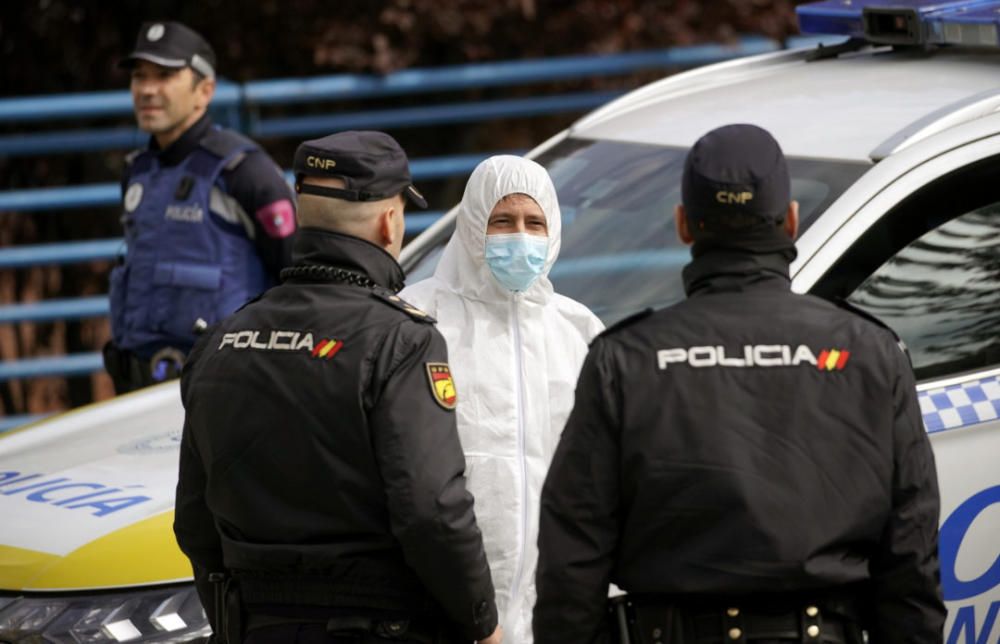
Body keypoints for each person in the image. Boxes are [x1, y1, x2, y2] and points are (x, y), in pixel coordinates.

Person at [533, 124, 945, 644]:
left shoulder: (626, 359)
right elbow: (910, 549)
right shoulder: (869, 352)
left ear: (684, 225)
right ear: (790, 221)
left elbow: (572, 556)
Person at [174, 130, 501, 644]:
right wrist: (482, 622)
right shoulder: (401, 340)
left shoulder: (222, 340)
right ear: (389, 221)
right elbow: (431, 511)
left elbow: (194, 522)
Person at [401, 155, 604, 643]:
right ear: (472, 223)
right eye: (502, 221)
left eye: (534, 223)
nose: (520, 237)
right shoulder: (417, 317)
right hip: (444, 603)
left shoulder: (577, 329)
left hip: (551, 600)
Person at [104, 21, 297, 394]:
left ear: (204, 90)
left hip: (222, 391)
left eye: (164, 76)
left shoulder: (244, 172)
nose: (146, 90)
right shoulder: (138, 171)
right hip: (138, 389)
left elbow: (297, 277)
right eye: (139, 77)